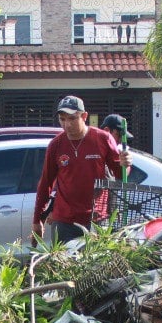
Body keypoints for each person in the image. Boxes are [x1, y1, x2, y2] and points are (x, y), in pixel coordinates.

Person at [34, 96, 130, 245]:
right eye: (62, 119)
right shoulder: (56, 145)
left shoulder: (102, 139)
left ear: (84, 116)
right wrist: (37, 220)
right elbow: (46, 182)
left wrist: (126, 164)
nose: (67, 125)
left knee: (96, 267)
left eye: (72, 119)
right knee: (63, 266)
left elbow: (120, 173)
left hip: (96, 220)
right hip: (64, 221)